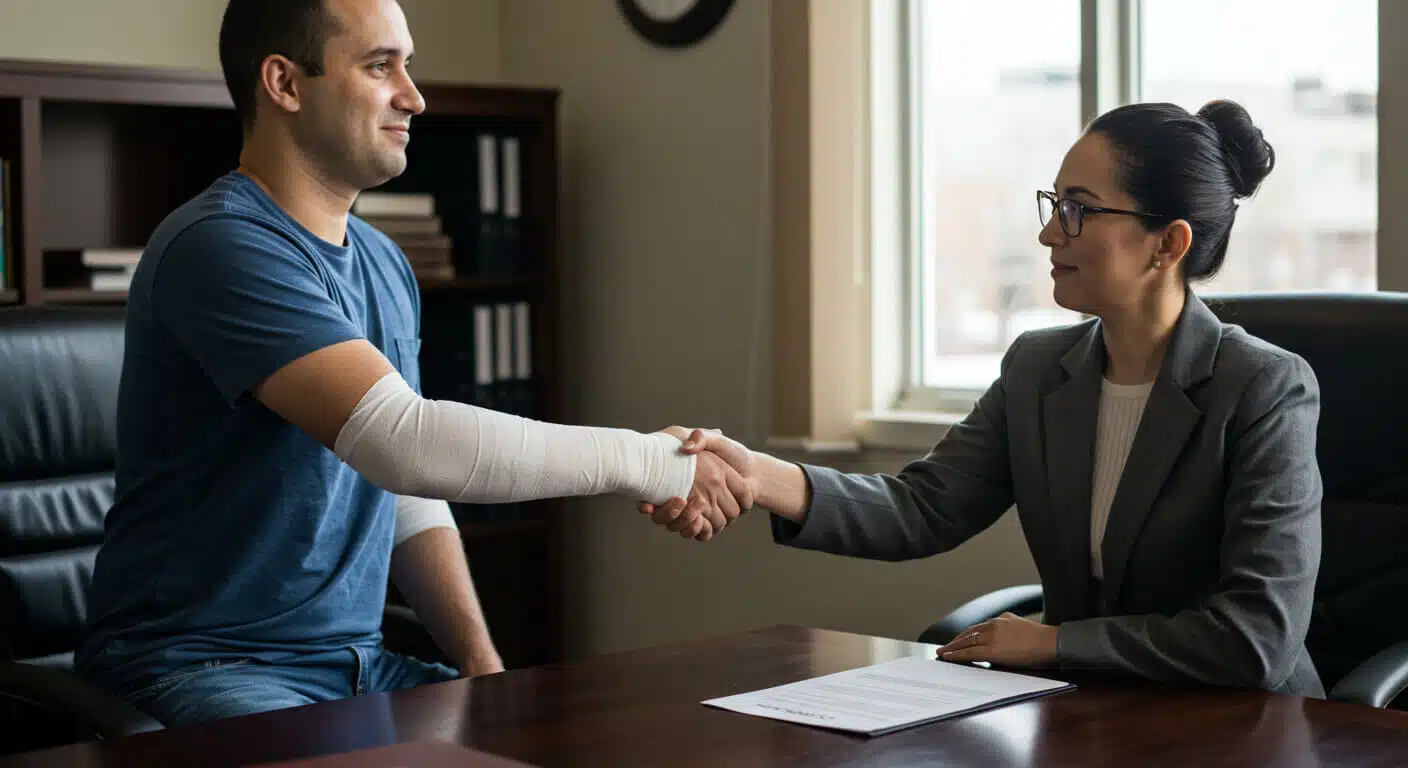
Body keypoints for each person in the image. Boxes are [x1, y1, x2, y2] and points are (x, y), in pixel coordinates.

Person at [74, 0, 749, 727]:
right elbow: (404, 443)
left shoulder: (384, 264)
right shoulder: (221, 246)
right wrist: (649, 462)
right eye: (379, 66)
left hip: (358, 665)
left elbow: (403, 490)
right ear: (285, 84)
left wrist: (481, 664)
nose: (413, 96)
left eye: (408, 66)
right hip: (201, 668)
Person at [647, 99, 1326, 697]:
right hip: (1090, 714)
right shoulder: (1037, 370)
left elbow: (1256, 639)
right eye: (1054, 204)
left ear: (1168, 243)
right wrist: (751, 474)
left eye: (1079, 210)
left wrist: (1054, 643)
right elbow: (921, 509)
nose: (1049, 233)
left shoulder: (1264, 388)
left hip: (1247, 725)